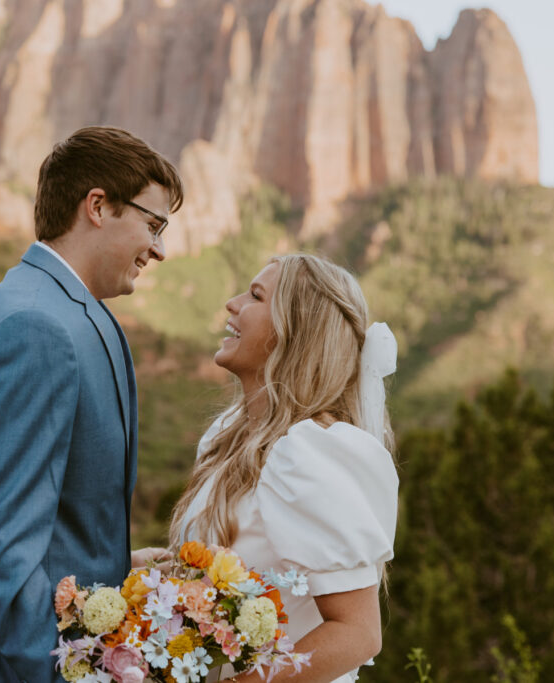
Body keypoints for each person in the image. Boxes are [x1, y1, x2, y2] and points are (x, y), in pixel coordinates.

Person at [0, 126, 183, 682]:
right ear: (97, 206)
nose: (159, 249)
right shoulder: (36, 327)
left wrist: (115, 570)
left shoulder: (65, 310)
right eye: (153, 224)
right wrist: (72, 674)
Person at [170, 254, 399, 683]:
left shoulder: (308, 455)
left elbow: (358, 633)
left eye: (255, 296)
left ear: (290, 334)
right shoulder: (226, 438)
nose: (232, 304)